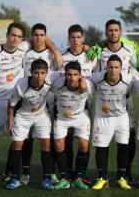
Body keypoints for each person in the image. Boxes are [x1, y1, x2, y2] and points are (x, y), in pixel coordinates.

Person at [0, 22, 62, 187]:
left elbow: (44, 38)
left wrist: (56, 51)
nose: (15, 39)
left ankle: (8, 173)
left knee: (16, 139)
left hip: (16, 101)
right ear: (7, 35)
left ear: (22, 39)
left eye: (18, 36)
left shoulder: (23, 47)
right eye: (12, 35)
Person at [3, 23, 59, 186]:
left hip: (44, 107)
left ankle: (48, 177)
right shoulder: (25, 50)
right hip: (25, 104)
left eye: (42, 35)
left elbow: (67, 76)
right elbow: (11, 105)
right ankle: (18, 176)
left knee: (47, 141)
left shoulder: (52, 59)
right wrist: (10, 121)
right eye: (36, 35)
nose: (39, 38)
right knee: (21, 142)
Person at [94, 19, 139, 184]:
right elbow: (92, 71)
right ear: (106, 33)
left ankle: (126, 173)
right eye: (110, 30)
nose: (113, 33)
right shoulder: (99, 51)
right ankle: (103, 175)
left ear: (121, 32)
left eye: (116, 30)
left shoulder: (129, 49)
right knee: (103, 139)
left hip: (124, 100)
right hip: (105, 101)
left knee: (130, 136)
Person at [91, 54, 136, 190]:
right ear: (106, 67)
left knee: (123, 147)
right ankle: (103, 178)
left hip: (121, 117)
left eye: (116, 67)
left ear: (121, 69)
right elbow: (83, 79)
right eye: (110, 67)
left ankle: (121, 178)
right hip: (102, 117)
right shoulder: (97, 78)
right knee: (101, 147)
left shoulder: (128, 79)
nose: (113, 70)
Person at [58, 24, 97, 184]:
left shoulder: (91, 56)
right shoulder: (61, 56)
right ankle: (67, 172)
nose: (75, 40)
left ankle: (81, 173)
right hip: (64, 105)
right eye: (72, 37)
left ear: (83, 38)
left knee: (82, 141)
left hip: (84, 105)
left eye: (78, 37)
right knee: (65, 140)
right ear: (68, 39)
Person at [50, 61, 93, 190]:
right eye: (69, 74)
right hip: (62, 118)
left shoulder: (88, 85)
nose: (72, 78)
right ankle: (64, 177)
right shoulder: (57, 84)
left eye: (75, 75)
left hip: (81, 117)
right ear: (65, 75)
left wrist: (84, 79)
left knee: (83, 144)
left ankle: (78, 177)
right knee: (58, 144)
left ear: (80, 75)